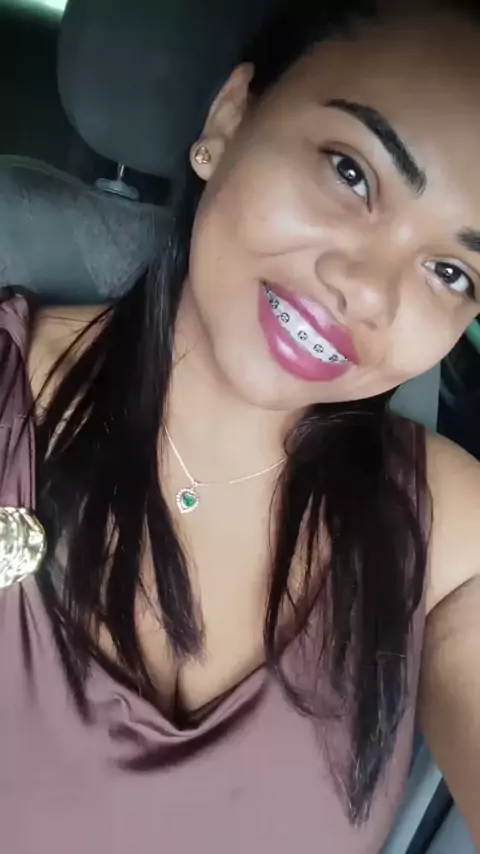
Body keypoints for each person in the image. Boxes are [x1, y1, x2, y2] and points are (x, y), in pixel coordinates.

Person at [1, 0, 480, 850]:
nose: (369, 291)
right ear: (229, 118)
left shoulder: (447, 531)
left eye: (452, 272)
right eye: (351, 173)